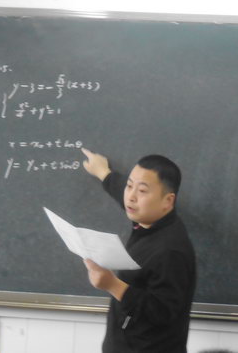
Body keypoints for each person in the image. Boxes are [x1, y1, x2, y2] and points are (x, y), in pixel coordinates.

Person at [81, 148, 197, 353]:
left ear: (168, 201)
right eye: (129, 186)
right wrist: (103, 173)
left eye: (142, 190)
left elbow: (162, 312)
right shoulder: (149, 217)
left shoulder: (170, 251)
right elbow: (128, 196)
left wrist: (112, 285)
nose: (131, 197)